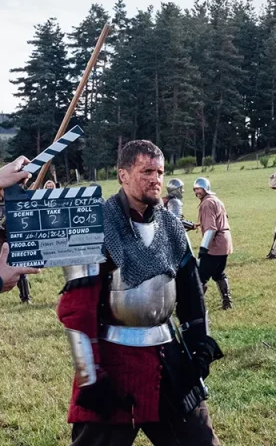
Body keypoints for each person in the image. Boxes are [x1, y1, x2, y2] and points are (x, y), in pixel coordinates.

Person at [57, 140, 222, 446]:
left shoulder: (171, 227)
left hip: (167, 357)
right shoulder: (94, 226)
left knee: (199, 440)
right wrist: (90, 377)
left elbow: (191, 291)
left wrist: (200, 342)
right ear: (123, 175)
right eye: (146, 171)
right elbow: (76, 311)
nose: (155, 179)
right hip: (114, 362)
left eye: (159, 171)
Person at [0, 156, 41, 293]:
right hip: (2, 238)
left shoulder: (15, 202)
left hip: (14, 237)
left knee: (21, 270)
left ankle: (25, 296)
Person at [193, 177, 233, 310]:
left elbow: (211, 228)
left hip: (215, 244)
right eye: (195, 190)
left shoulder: (207, 203)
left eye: (199, 189)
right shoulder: (216, 200)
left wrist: (203, 248)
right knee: (218, 273)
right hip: (225, 242)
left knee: (200, 276)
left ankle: (196, 306)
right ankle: (227, 301)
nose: (196, 192)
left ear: (205, 189)